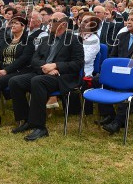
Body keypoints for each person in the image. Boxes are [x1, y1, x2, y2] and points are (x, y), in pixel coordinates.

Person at [8, 12, 84, 141]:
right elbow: (34, 60)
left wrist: (56, 66)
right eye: (49, 21)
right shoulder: (45, 39)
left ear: (63, 24)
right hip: (43, 73)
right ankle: (27, 120)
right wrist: (46, 67)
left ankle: (40, 127)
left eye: (53, 21)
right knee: (15, 81)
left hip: (61, 77)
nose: (49, 23)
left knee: (38, 81)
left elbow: (78, 63)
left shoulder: (74, 40)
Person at [0, 15, 35, 130]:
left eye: (15, 23)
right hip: (1, 70)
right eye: (11, 23)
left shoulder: (28, 41)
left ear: (23, 26)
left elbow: (24, 59)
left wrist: (6, 70)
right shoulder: (7, 41)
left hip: (17, 71)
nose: (12, 25)